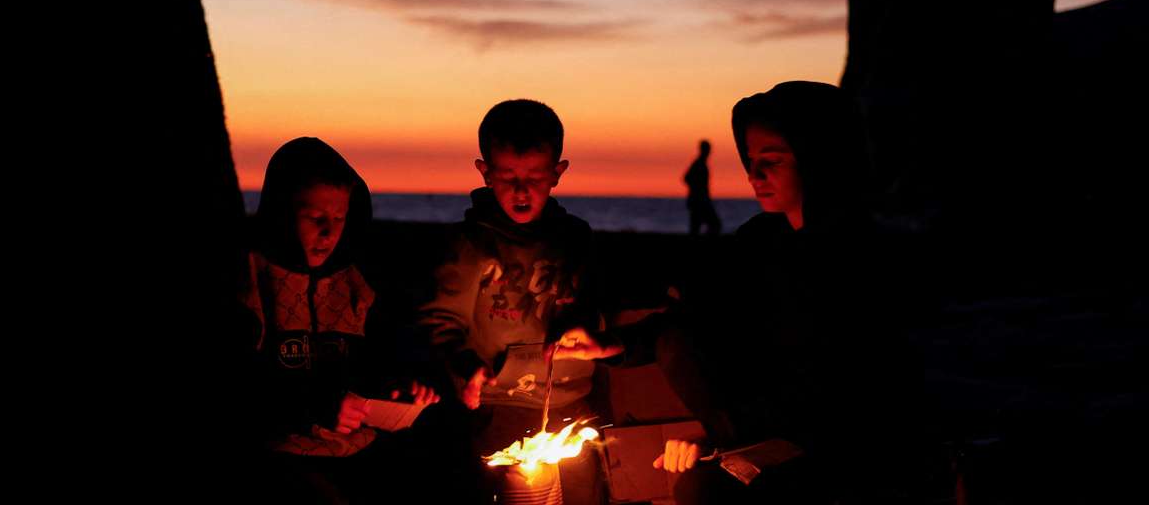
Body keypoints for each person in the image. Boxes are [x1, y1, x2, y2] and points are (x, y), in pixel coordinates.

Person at [661, 82, 921, 503]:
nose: (754, 176)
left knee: (703, 488)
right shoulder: (763, 239)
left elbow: (844, 385)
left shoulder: (859, 257)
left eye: (772, 161)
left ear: (819, 160)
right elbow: (701, 307)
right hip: (770, 428)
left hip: (847, 441)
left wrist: (731, 438)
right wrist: (610, 342)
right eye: (750, 161)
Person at [418, 100, 618, 505]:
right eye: (508, 176)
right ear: (485, 172)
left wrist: (585, 328)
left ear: (557, 173)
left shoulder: (575, 237)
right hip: (498, 405)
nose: (521, 189)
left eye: (534, 176)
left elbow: (593, 304)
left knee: (583, 495)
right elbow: (440, 319)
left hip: (570, 402)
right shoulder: (470, 243)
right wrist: (464, 364)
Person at [239, 137, 440, 505]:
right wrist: (317, 406)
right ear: (283, 214)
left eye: (339, 219)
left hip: (359, 453)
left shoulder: (358, 285)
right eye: (315, 219)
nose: (329, 233)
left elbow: (376, 360)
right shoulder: (251, 280)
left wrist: (397, 389)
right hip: (283, 457)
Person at [684, 139, 722, 236]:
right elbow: (687, 178)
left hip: (700, 200)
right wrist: (696, 190)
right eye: (707, 149)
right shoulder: (698, 164)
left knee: (697, 227)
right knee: (714, 224)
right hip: (699, 201)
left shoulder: (701, 164)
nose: (709, 152)